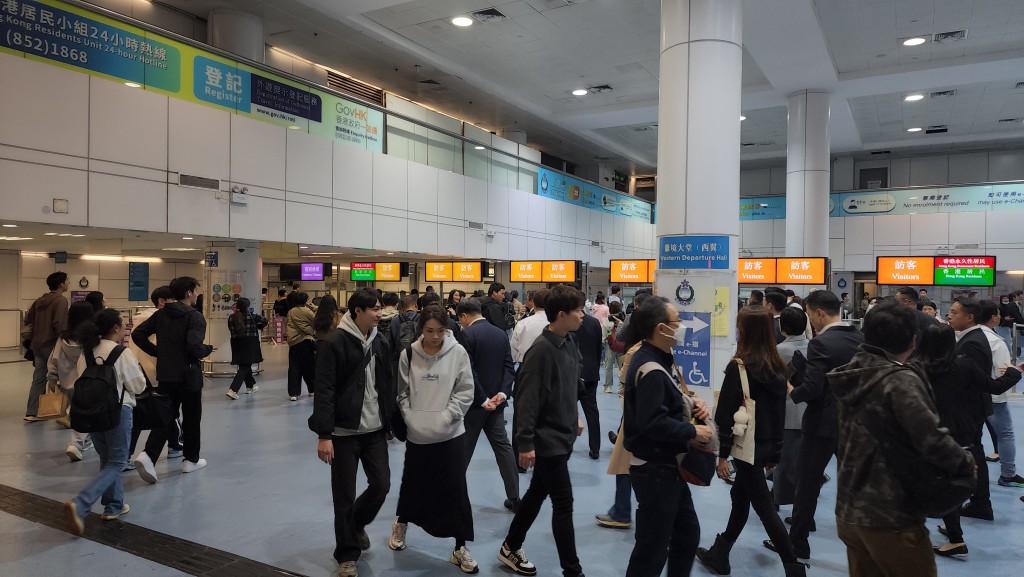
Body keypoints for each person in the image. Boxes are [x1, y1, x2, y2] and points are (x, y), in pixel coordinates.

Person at [829, 302, 975, 577]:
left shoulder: (851, 372)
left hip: (849, 509)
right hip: (889, 513)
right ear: (912, 340)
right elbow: (931, 439)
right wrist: (966, 463)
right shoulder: (898, 380)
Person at [697, 307, 805, 577]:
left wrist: (722, 457)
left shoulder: (741, 366)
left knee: (765, 509)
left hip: (747, 448)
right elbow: (779, 412)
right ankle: (720, 552)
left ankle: (793, 566)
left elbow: (725, 416)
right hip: (767, 446)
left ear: (744, 331)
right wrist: (776, 452)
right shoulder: (779, 367)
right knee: (740, 497)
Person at [498, 285, 586, 577]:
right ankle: (572, 571)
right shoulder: (541, 351)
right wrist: (524, 443)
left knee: (537, 493)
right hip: (548, 440)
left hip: (564, 434)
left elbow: (572, 385)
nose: (582, 315)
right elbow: (526, 400)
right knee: (564, 503)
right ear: (562, 314)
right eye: (578, 311)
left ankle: (511, 545)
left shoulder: (570, 343)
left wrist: (575, 415)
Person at [621, 296, 711, 577]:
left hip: (667, 468)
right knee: (652, 549)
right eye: (677, 321)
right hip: (655, 470)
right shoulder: (651, 369)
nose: (682, 325)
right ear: (662, 329)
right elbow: (651, 422)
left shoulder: (658, 360)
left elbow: (664, 406)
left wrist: (690, 404)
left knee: (686, 535)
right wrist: (692, 430)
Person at [310, 288, 396, 577]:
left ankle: (356, 523)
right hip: (343, 433)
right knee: (343, 496)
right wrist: (324, 435)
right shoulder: (334, 343)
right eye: (374, 308)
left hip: (374, 431)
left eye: (380, 308)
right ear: (357, 311)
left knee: (381, 485)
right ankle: (346, 555)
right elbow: (324, 390)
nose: (379, 313)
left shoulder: (380, 341)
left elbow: (386, 385)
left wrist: (391, 422)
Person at [913, 323, 1017, 559]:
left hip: (928, 431)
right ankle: (954, 531)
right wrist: (1014, 373)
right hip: (961, 431)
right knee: (954, 479)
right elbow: (994, 387)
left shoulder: (916, 368)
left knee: (928, 480)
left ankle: (954, 535)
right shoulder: (964, 365)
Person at [390, 305, 478, 574]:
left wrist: (448, 417)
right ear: (421, 330)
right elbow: (402, 393)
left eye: (440, 330)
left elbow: (465, 391)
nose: (436, 336)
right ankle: (401, 524)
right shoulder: (408, 354)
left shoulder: (458, 352)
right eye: (430, 331)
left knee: (455, 489)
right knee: (413, 485)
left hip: (451, 435)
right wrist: (411, 418)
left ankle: (460, 547)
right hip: (418, 435)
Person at [782, 289, 864, 560]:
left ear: (818, 312)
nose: (809, 322)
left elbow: (813, 388)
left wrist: (792, 388)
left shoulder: (821, 344)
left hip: (821, 423)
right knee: (854, 483)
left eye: (809, 315)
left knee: (807, 483)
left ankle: (798, 544)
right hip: (853, 422)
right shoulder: (860, 339)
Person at [62, 308, 147, 536]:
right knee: (118, 461)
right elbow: (138, 386)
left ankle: (114, 505)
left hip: (90, 413)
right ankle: (81, 502)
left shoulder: (86, 353)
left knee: (107, 459)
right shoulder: (121, 353)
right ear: (116, 328)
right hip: (118, 412)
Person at [131, 276, 214, 480]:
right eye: (195, 291)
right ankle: (190, 460)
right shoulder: (194, 317)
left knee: (166, 415)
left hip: (166, 374)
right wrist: (207, 349)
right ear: (188, 293)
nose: (196, 294)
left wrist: (159, 352)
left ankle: (148, 455)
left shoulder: (161, 315)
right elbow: (194, 346)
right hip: (188, 375)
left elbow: (138, 335)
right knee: (192, 417)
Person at [456, 299, 520, 513]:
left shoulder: (465, 335)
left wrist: (483, 400)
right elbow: (508, 367)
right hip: (497, 403)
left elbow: (468, 371)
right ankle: (514, 497)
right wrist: (501, 394)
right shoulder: (500, 333)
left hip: (474, 406)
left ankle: (450, 496)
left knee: (463, 451)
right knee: (503, 449)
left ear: (464, 316)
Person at [947, 297, 995, 521]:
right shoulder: (969, 338)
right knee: (974, 452)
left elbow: (974, 380)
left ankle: (980, 501)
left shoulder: (972, 342)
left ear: (970, 317)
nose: (950, 315)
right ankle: (978, 500)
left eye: (955, 312)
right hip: (971, 407)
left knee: (973, 453)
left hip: (970, 408)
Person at [980, 300, 1024, 488]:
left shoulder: (965, 337)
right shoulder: (996, 342)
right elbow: (1002, 372)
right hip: (994, 395)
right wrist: (1015, 371)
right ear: (993, 317)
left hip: (972, 394)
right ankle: (1008, 474)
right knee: (1005, 433)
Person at [46, 302, 96, 460]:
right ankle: (76, 443)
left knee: (77, 411)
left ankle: (86, 440)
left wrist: (52, 377)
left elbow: (54, 357)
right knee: (88, 412)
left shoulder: (63, 337)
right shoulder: (93, 337)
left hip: (68, 381)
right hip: (88, 381)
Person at [773, 306, 809, 508]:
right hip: (810, 412)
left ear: (782, 327)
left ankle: (781, 500)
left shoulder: (779, 351)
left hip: (787, 413)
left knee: (784, 462)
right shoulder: (815, 346)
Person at [23, 271, 70, 422]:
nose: (68, 283)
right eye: (67, 281)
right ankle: (64, 411)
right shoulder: (61, 301)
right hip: (52, 344)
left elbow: (29, 319)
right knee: (64, 377)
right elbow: (60, 324)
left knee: (38, 378)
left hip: (37, 344)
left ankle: (32, 411)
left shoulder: (39, 301)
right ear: (61, 284)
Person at [575, 309, 604, 459]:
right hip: (591, 371)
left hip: (573, 373)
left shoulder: (569, 322)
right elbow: (599, 347)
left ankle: (565, 444)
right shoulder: (594, 322)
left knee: (567, 410)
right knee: (592, 412)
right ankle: (595, 448)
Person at [225, 298, 266, 399]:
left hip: (236, 343)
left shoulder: (231, 317)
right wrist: (259, 326)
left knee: (244, 364)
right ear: (247, 306)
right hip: (250, 343)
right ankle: (233, 390)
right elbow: (265, 321)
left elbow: (231, 329)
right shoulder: (252, 316)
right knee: (245, 367)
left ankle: (250, 386)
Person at [286, 292, 317, 401]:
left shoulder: (290, 311)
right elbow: (316, 321)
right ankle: (312, 389)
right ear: (305, 300)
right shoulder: (306, 311)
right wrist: (315, 309)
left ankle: (294, 393)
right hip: (305, 341)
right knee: (309, 367)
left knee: (294, 367)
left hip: (293, 342)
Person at [510, 288, 551, 363]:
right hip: (550, 366)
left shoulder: (522, 324)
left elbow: (513, 350)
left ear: (533, 303)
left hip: (526, 365)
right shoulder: (556, 323)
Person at [602, 301, 626, 394]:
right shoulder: (623, 319)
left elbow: (603, 336)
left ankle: (608, 387)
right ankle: (622, 386)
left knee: (608, 367)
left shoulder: (608, 320)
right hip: (622, 346)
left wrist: (604, 340)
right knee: (622, 367)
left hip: (610, 346)